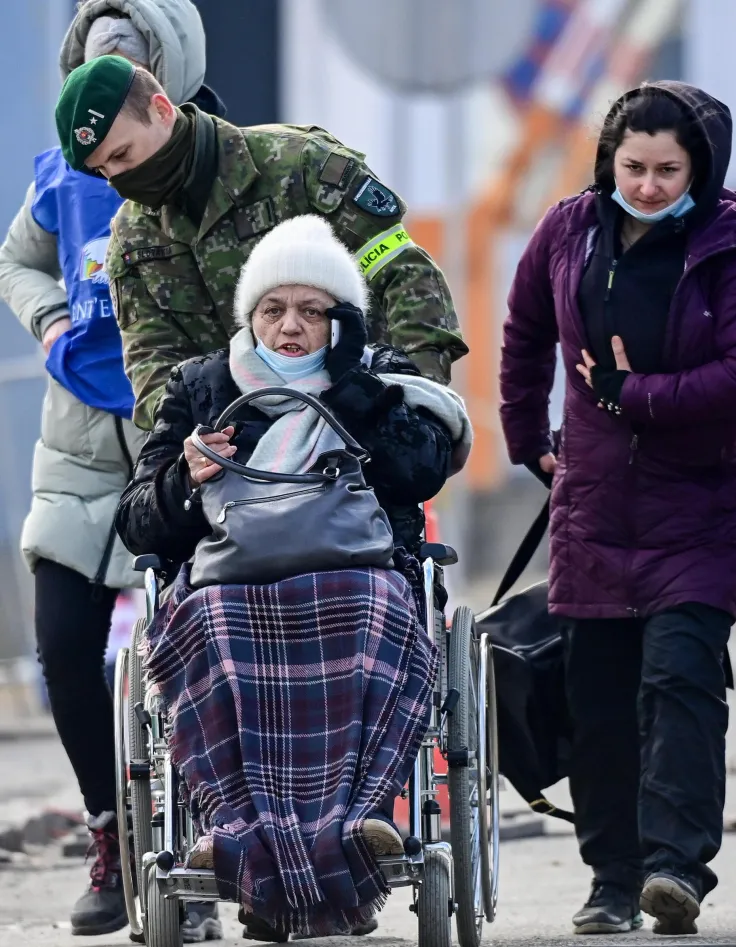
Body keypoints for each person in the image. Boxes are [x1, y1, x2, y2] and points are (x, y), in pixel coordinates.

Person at [115, 214, 472, 939]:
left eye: (312, 311)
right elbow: (138, 520)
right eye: (274, 309)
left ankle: (356, 820)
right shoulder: (203, 386)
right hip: (228, 582)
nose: (290, 326)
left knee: (375, 604)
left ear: (340, 320)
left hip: (356, 576)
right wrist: (186, 478)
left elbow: (423, 472)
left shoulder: (377, 375)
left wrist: (355, 394)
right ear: (250, 314)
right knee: (208, 621)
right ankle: (241, 830)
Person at [499, 81, 736, 936]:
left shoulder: (734, 252)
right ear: (610, 158)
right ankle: (612, 879)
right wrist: (522, 432)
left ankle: (676, 868)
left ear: (702, 169)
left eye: (667, 168)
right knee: (601, 697)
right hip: (594, 506)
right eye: (633, 165)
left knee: (680, 681)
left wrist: (633, 393)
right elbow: (525, 328)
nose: (646, 184)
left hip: (700, 509)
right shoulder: (568, 231)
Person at [0, 1, 225, 939]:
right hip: (79, 442)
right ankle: (110, 831)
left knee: (205, 650)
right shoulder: (60, 169)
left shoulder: (219, 158)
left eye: (129, 58)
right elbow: (18, 260)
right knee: (61, 642)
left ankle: (209, 839)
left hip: (191, 441)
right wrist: (51, 319)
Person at [52, 55, 468, 435]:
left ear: (161, 110)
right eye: (103, 170)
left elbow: (407, 278)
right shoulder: (133, 236)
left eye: (123, 154)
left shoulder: (299, 166)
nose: (118, 178)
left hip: (356, 432)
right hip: (238, 464)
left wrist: (415, 404)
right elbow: (152, 363)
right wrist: (197, 444)